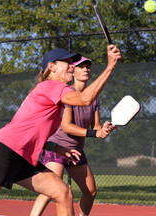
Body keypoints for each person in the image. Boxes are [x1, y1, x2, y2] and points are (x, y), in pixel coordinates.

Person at [0, 45, 121, 216]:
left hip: (22, 158)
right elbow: (85, 99)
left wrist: (58, 148)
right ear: (51, 67)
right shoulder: (51, 85)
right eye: (67, 62)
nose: (72, 66)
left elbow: (35, 135)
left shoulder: (55, 96)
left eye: (72, 62)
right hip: (3, 151)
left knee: (63, 192)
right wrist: (110, 66)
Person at [30, 56, 115, 216]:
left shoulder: (94, 99)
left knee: (90, 192)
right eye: (81, 66)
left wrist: (105, 128)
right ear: (73, 72)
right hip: (56, 148)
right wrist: (94, 133)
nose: (86, 69)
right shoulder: (67, 94)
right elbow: (67, 126)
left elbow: (95, 127)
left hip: (76, 150)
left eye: (88, 67)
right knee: (51, 191)